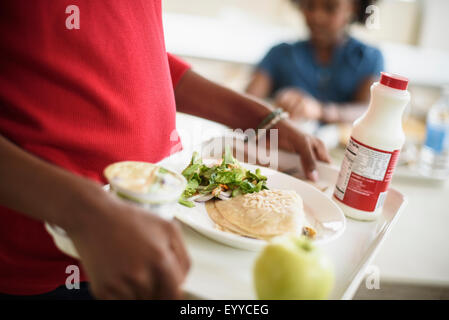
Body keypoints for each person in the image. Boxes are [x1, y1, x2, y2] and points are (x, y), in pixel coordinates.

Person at [0, 1, 330, 299]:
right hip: (42, 262)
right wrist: (84, 211)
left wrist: (261, 117)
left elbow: (139, 58)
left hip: (147, 236)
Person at [246, 0, 384, 123]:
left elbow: (369, 112)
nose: (317, 17)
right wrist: (276, 102)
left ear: (354, 7)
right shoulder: (279, 54)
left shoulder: (369, 58)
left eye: (330, 7)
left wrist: (321, 111)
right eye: (309, 5)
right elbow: (247, 102)